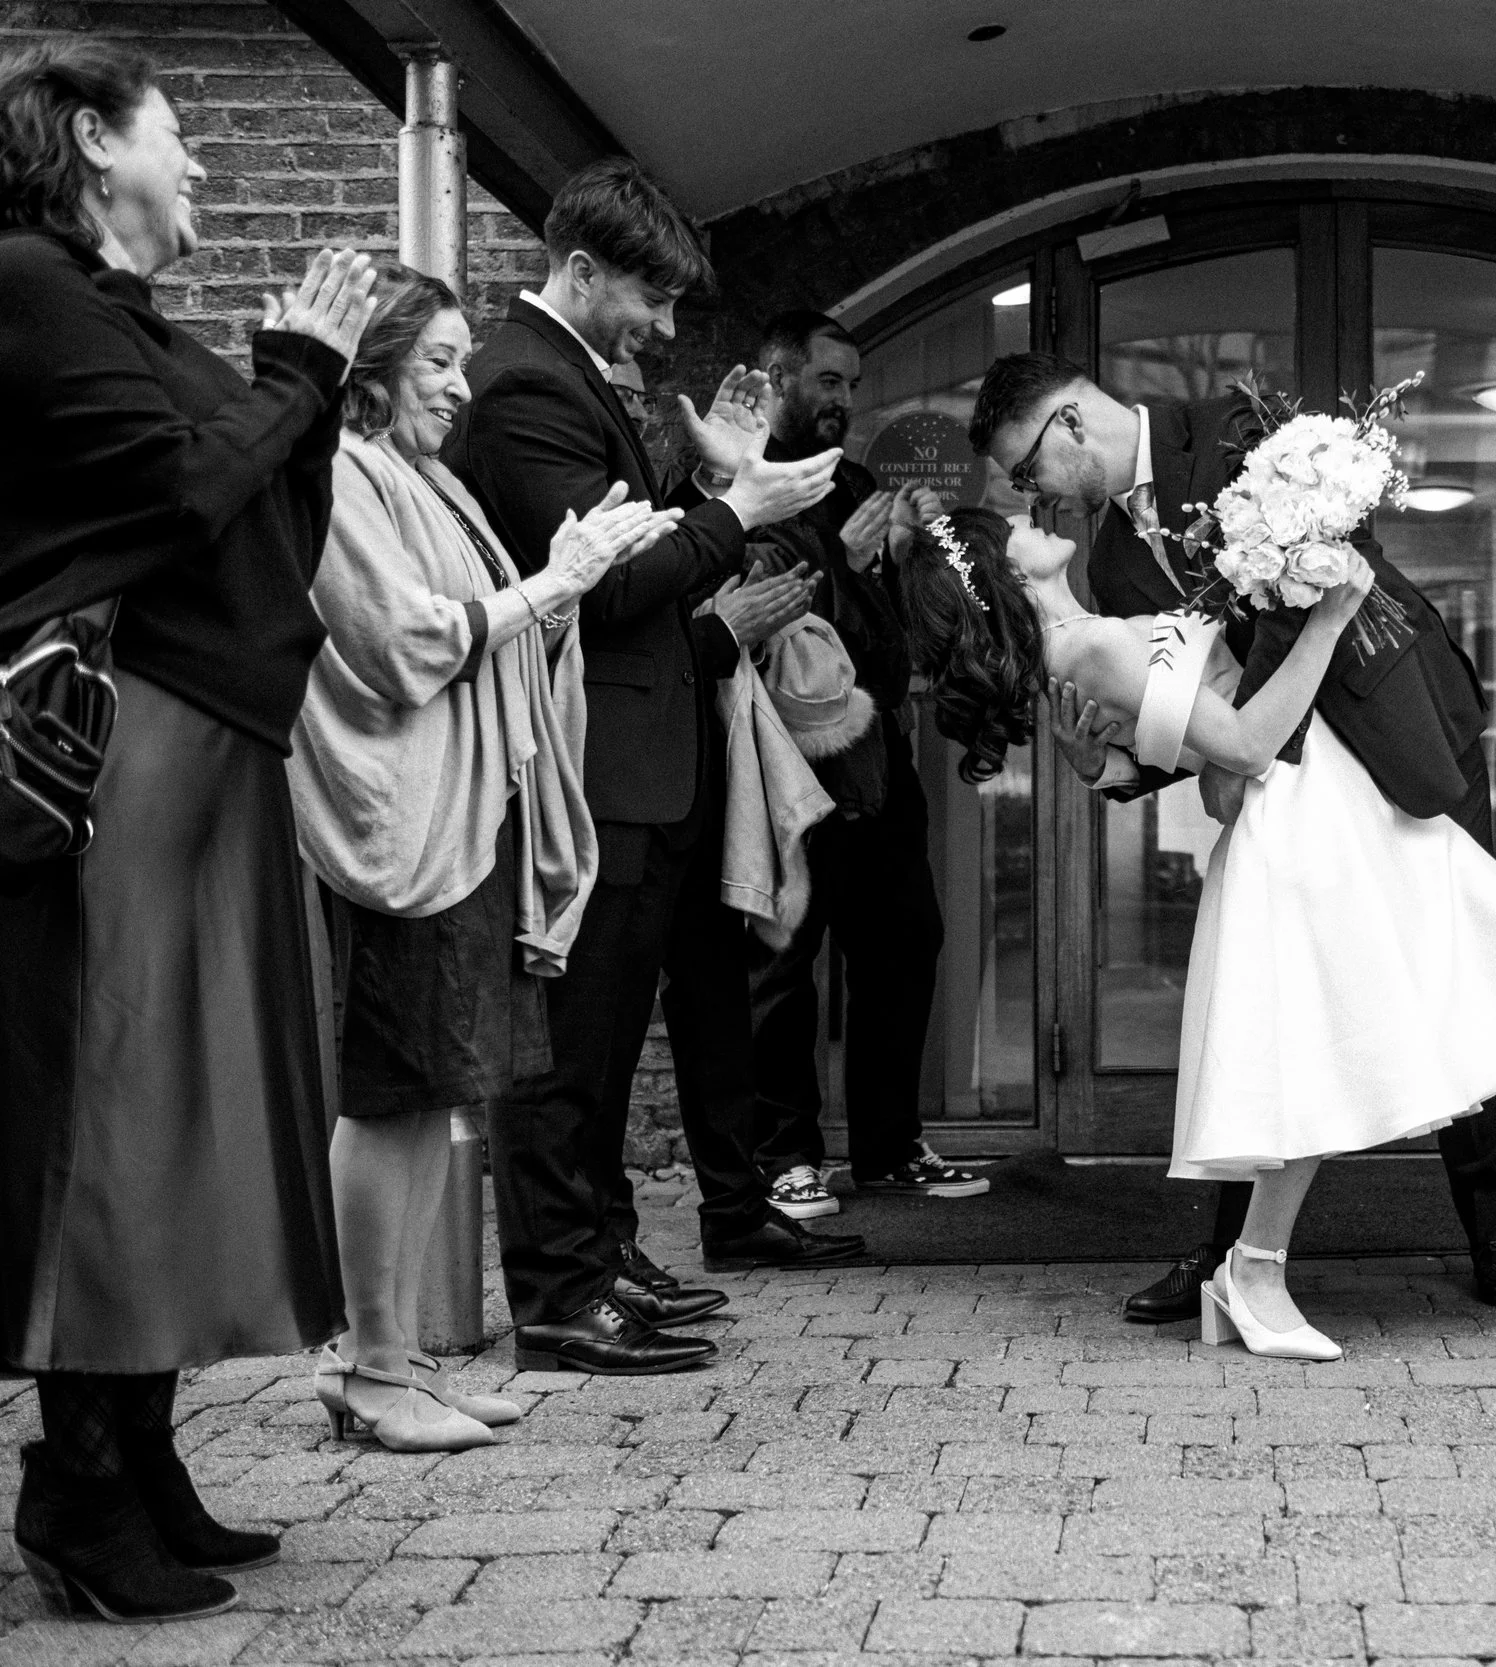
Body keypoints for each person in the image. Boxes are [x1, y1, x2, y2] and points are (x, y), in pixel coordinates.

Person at [899, 508, 1496, 1358]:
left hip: (1330, 804)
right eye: (1011, 522)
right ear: (1000, 571)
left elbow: (1197, 748)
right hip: (1299, 824)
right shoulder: (1089, 644)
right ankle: (1255, 1272)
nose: (1029, 514)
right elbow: (1245, 747)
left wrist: (1103, 759)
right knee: (1336, 1041)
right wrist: (1329, 620)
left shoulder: (1091, 636)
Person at [0, 39, 376, 1621]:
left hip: (206, 749)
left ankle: (136, 1461)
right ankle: (78, 1494)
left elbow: (263, 508)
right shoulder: (27, 280)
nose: (207, 165)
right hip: (125, 757)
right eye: (184, 137)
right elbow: (169, 498)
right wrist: (296, 376)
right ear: (96, 141)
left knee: (178, 1112)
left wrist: (303, 385)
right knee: (122, 1112)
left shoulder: (131, 317)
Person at [971, 358, 1496, 1313]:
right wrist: (1106, 766)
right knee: (1258, 1000)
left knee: (1453, 959)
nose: (1037, 498)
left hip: (1396, 731)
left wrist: (1240, 742)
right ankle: (1224, 1253)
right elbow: (1172, 710)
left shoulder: (1238, 432)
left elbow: (1312, 588)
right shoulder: (1108, 561)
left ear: (1069, 424)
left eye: (1028, 471)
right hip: (1281, 782)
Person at [443, 158, 860, 1376]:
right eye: (651, 300)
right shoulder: (523, 386)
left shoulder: (573, 375)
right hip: (593, 764)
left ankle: (605, 1255)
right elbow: (616, 581)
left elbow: (633, 531)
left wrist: (698, 483)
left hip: (641, 762)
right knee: (569, 1052)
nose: (664, 327)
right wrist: (733, 499)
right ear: (579, 270)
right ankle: (560, 1293)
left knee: (613, 1046)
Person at [289, 266, 682, 1449]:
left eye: (464, 360)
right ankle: (369, 1366)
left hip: (457, 822)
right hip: (400, 827)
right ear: (370, 367)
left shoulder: (421, 474)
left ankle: (397, 1357)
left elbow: (496, 630)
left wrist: (563, 583)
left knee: (431, 1095)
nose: (463, 388)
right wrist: (555, 585)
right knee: (391, 1092)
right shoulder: (343, 474)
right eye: (438, 363)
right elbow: (413, 645)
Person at [742, 311, 982, 1217]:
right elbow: (773, 620)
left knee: (906, 940)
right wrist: (846, 567)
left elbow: (887, 648)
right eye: (828, 382)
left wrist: (909, 559)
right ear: (778, 379)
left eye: (852, 382)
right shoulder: (745, 481)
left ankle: (887, 1147)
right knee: (782, 963)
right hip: (786, 765)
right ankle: (783, 1155)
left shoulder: (858, 482)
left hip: (878, 759)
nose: (846, 399)